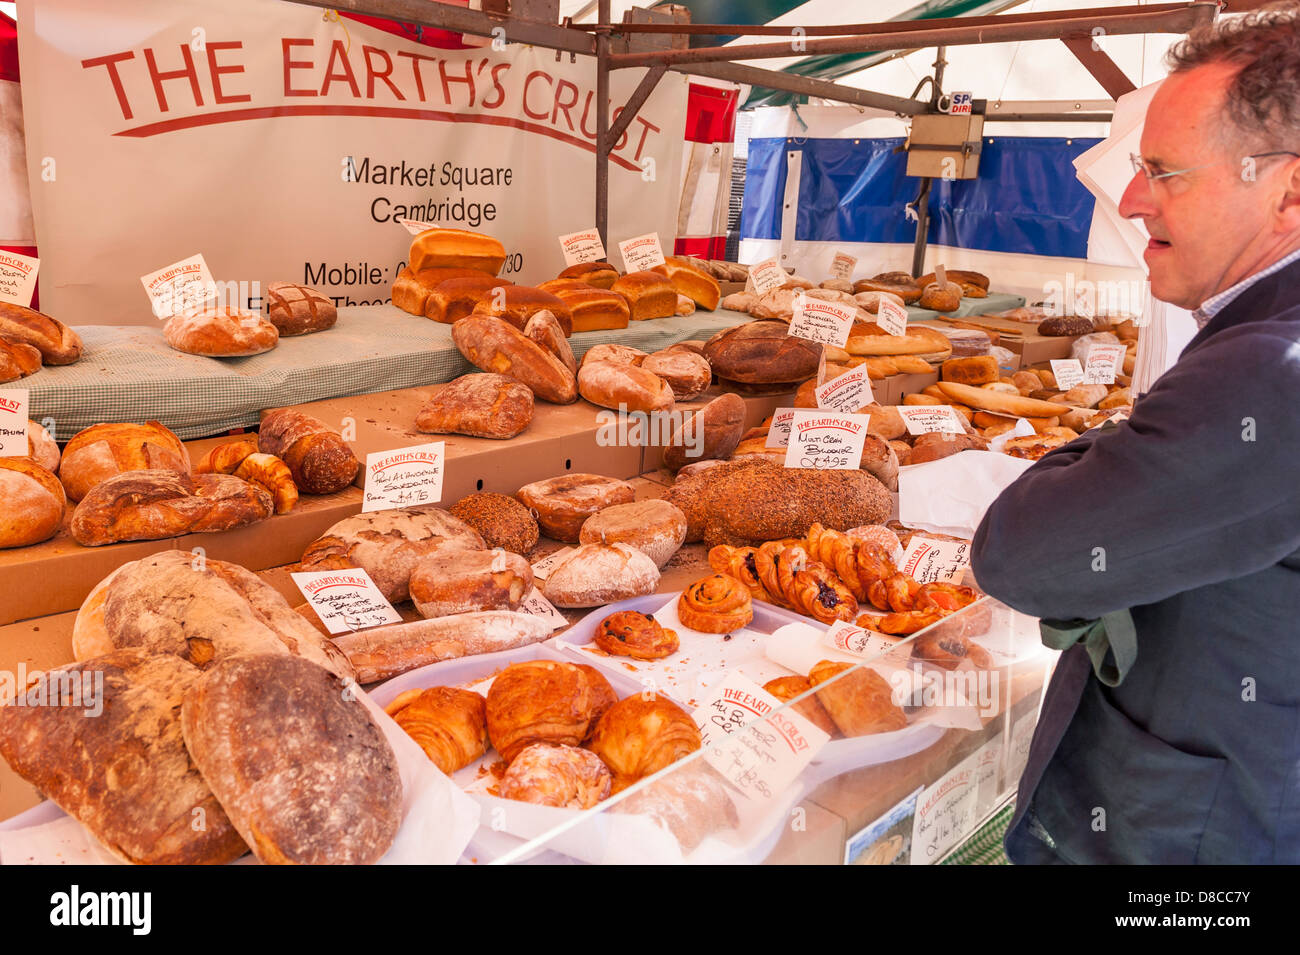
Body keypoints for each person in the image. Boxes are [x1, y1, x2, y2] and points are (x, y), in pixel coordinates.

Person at [971, 4, 1300, 864]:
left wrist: (1107, 451)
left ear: (1288, 189)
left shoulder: (1277, 368)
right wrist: (1130, 446)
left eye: (1163, 172)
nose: (1128, 198)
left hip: (1206, 839)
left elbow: (1023, 550)